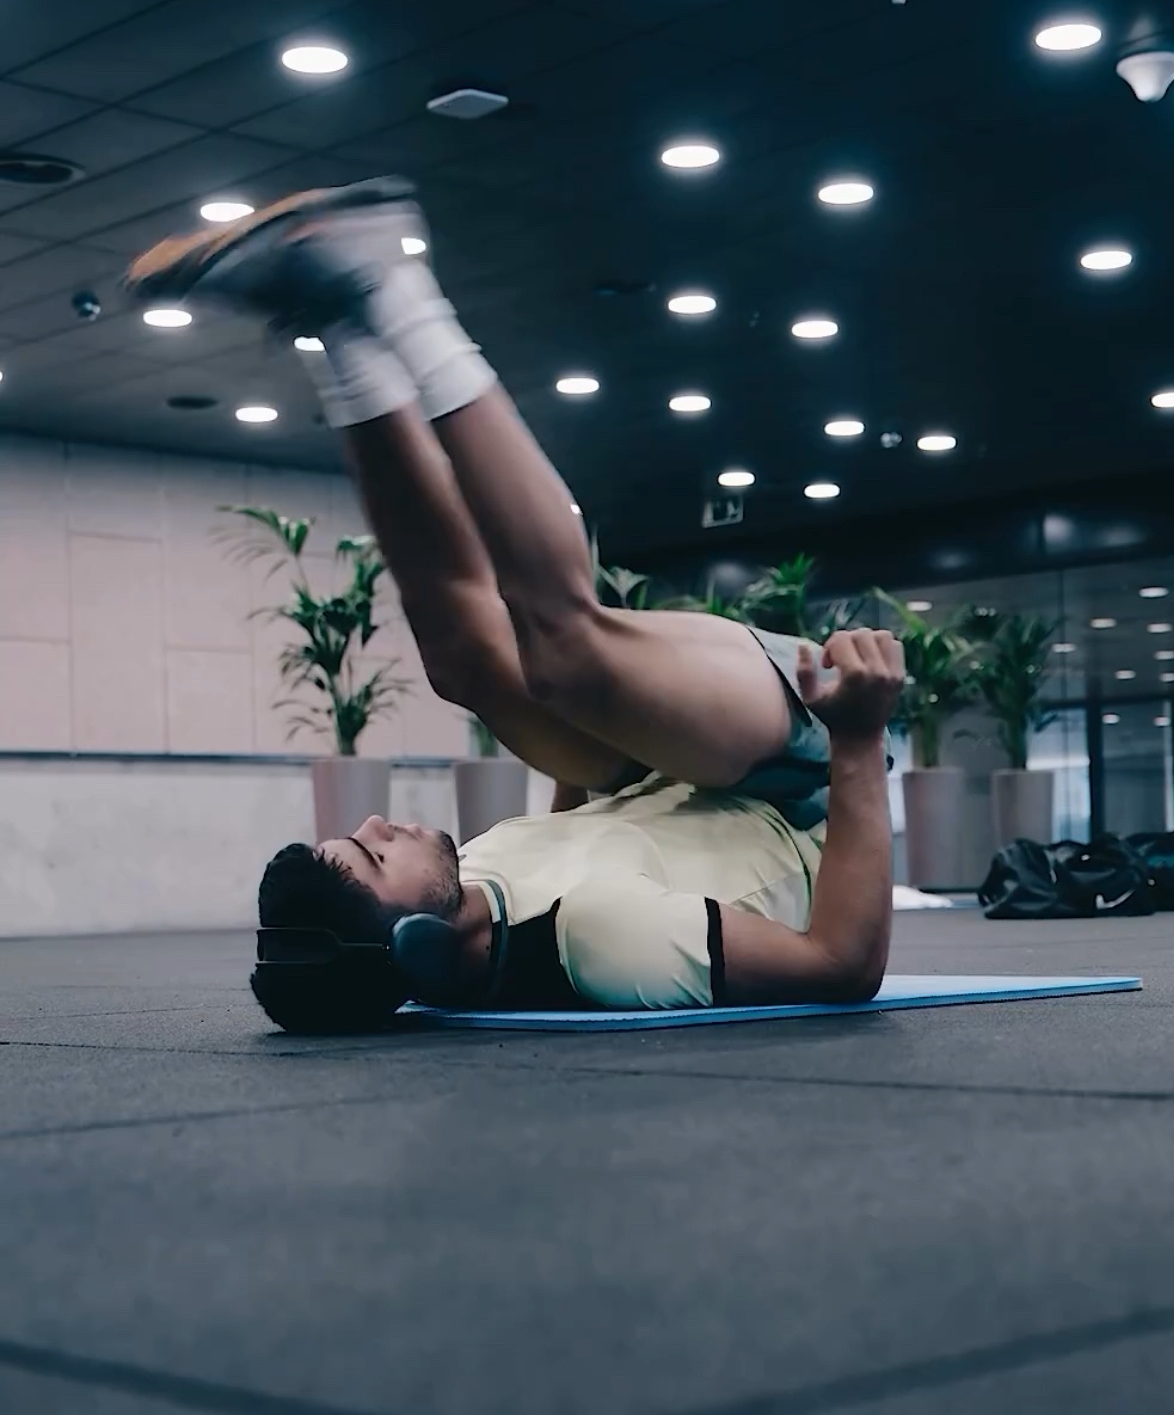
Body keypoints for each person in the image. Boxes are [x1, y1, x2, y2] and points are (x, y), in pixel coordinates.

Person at [127, 178, 905, 1032]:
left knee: (466, 661)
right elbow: (842, 964)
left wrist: (586, 723)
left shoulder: (476, 881)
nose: (377, 821)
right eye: (373, 854)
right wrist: (858, 741)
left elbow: (595, 826)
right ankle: (395, 291)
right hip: (796, 783)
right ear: (416, 944)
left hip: (665, 775)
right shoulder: (607, 944)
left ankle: (339, 327)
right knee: (565, 656)